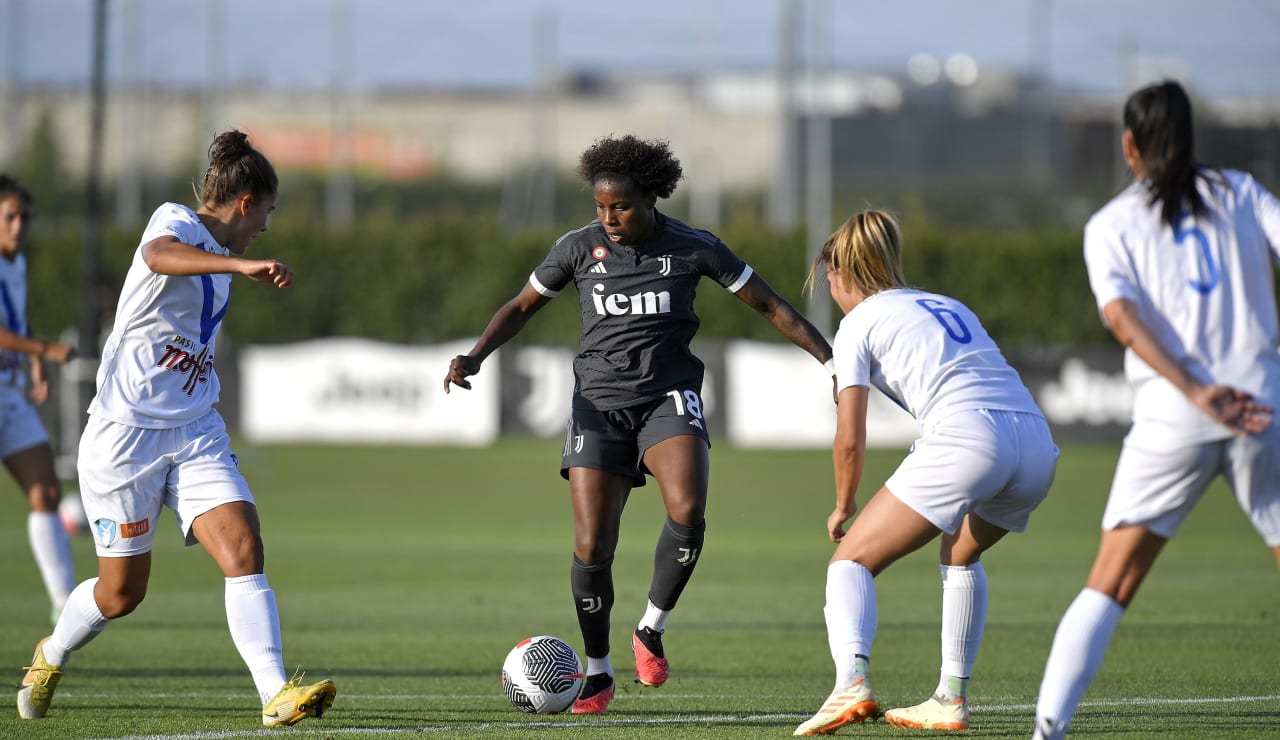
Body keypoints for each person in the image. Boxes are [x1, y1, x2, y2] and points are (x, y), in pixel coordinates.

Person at [444, 134, 834, 714]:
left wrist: (832, 361)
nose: (608, 218)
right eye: (600, 207)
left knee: (688, 507)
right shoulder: (578, 249)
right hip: (596, 406)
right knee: (591, 544)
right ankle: (597, 672)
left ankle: (650, 628)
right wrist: (474, 355)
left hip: (668, 396)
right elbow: (520, 307)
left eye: (620, 206)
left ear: (651, 197)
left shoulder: (695, 247)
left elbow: (772, 305)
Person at [17, 130, 336, 726]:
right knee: (121, 594)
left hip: (194, 431)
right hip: (123, 438)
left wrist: (233, 267)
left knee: (244, 545)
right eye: (267, 210)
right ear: (246, 203)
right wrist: (241, 264)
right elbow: (158, 256)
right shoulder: (178, 224)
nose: (268, 224)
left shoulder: (217, 263)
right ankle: (52, 651)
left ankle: (275, 695)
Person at [1031, 81, 1278, 739]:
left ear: (1130, 144)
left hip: (1176, 415)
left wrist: (1196, 389)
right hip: (1263, 405)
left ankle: (1047, 733)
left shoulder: (1112, 222)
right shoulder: (1242, 193)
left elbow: (1121, 318)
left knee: (1110, 583)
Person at [793, 209, 1059, 736]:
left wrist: (844, 505)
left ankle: (851, 683)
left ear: (843, 273)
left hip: (969, 438)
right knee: (961, 550)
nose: (831, 290)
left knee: (850, 561)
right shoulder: (945, 303)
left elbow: (850, 434)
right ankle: (950, 698)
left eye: (829, 279)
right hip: (1035, 442)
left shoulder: (858, 323)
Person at [0, 175, 79, 625]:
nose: (19, 225)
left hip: (10, 397)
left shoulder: (18, 263)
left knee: (46, 490)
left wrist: (33, 363)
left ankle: (63, 603)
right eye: (10, 216)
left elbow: (15, 322)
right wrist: (44, 350)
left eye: (25, 216)